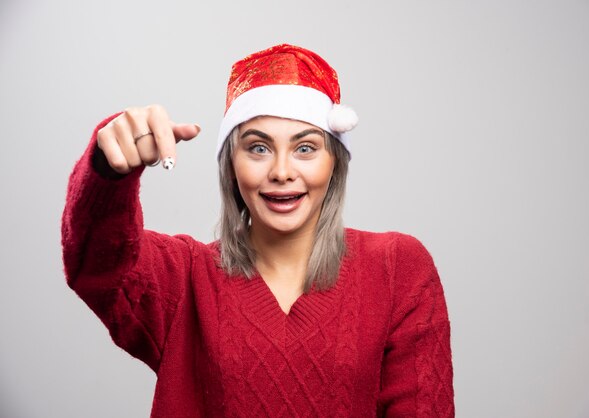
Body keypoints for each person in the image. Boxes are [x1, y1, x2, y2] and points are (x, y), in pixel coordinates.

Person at [62, 44, 454, 417]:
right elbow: (99, 265)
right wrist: (107, 170)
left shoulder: (397, 269)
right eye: (258, 148)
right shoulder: (185, 279)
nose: (282, 171)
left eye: (305, 148)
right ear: (230, 164)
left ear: (335, 162)